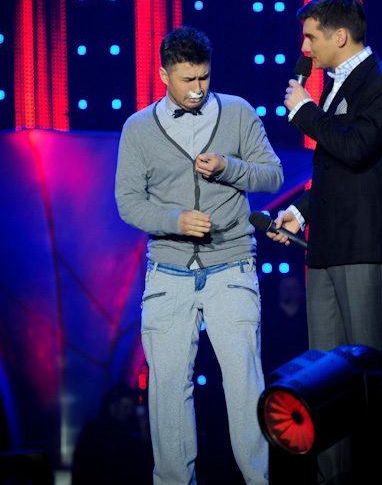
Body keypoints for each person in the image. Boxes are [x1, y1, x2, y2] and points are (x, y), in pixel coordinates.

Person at [115, 26, 283, 485]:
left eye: (204, 78)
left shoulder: (238, 112)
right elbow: (128, 202)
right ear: (163, 74)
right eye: (187, 79)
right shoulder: (138, 128)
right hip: (168, 270)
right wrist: (175, 219)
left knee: (245, 383)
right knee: (168, 389)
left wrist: (230, 167)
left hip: (232, 263)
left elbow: (271, 174)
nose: (197, 89)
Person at [267, 0, 382, 484]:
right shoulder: (333, 86)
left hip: (362, 248)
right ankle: (332, 478)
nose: (305, 48)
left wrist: (306, 112)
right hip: (324, 248)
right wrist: (298, 213)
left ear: (340, 36)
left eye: (311, 37)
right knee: (321, 381)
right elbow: (333, 173)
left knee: (365, 372)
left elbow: (357, 148)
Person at [71, 383, 153, 485]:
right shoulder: (96, 432)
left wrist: (143, 430)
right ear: (112, 406)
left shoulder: (127, 434)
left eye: (131, 408)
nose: (129, 412)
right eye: (125, 407)